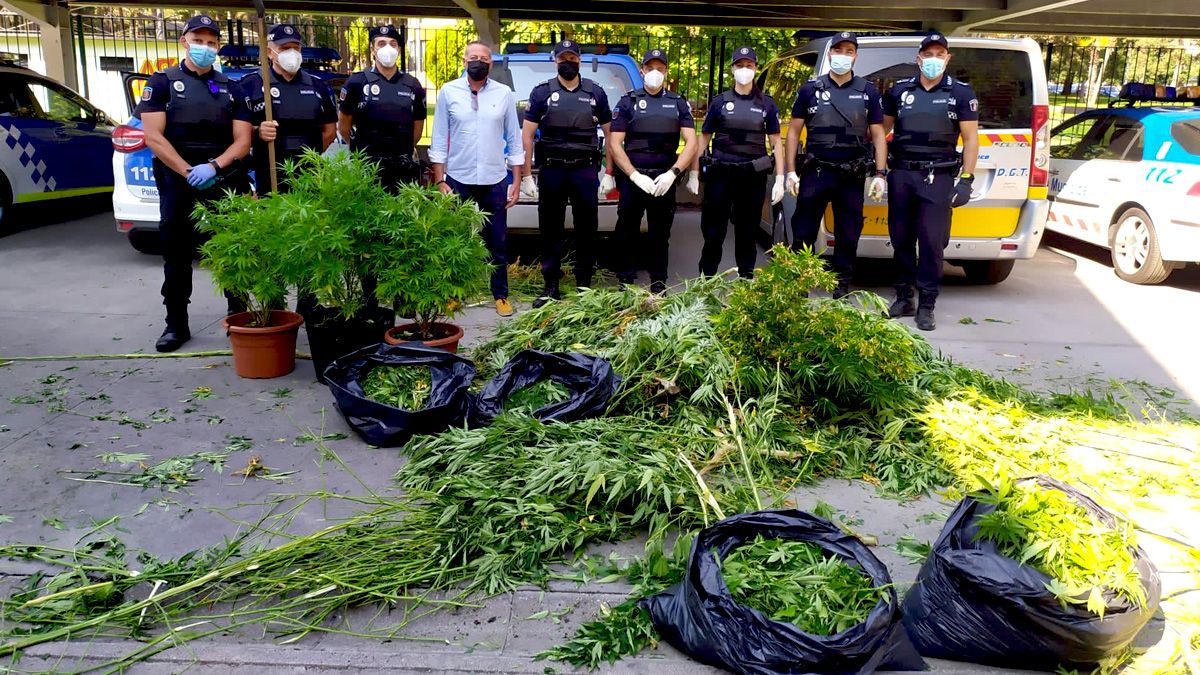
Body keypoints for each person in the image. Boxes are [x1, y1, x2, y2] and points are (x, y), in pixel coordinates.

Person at [138, 14, 251, 352]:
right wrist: (188, 170)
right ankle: (176, 324)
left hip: (223, 177)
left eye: (211, 42)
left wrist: (214, 167)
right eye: (198, 40)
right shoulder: (162, 83)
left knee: (232, 250)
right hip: (177, 179)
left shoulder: (232, 88)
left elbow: (243, 140)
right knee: (176, 251)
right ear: (184, 41)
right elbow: (153, 137)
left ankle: (240, 316)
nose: (205, 46)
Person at [882, 33, 980, 331]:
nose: (934, 59)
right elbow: (881, 134)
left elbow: (971, 138)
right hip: (902, 173)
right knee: (900, 238)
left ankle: (927, 303)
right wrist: (878, 169)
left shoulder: (960, 93)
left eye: (940, 54)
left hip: (938, 176)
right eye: (929, 54)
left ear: (947, 58)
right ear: (919, 58)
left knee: (931, 240)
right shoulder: (899, 92)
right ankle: (903, 297)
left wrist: (966, 179)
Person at [785, 32, 888, 299]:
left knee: (849, 232)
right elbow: (794, 132)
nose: (843, 55)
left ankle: (841, 284)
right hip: (816, 171)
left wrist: (880, 173)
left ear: (855, 56)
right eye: (838, 49)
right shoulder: (810, 89)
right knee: (803, 230)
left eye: (849, 50)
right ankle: (799, 281)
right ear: (830, 53)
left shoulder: (868, 91)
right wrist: (790, 172)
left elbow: (878, 134)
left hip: (851, 175)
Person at [429, 41, 525, 317]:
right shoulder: (449, 92)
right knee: (457, 240)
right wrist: (440, 180)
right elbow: (438, 139)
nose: (478, 61)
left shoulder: (503, 94)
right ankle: (453, 294)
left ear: (490, 64)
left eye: (483, 58)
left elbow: (514, 140)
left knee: (497, 242)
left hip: (495, 179)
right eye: (473, 57)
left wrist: (516, 181)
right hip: (459, 178)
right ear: (463, 61)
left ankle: (501, 295)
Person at [520, 39, 614, 307]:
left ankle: (584, 285)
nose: (568, 63)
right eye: (563, 59)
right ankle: (551, 286)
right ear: (555, 61)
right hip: (552, 170)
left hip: (585, 170)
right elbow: (527, 136)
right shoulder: (541, 93)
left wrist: (609, 172)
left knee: (587, 229)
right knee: (550, 230)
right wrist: (527, 175)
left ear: (580, 61)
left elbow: (611, 135)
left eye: (572, 58)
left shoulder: (596, 93)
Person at [608, 48, 700, 294]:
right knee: (627, 233)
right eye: (650, 68)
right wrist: (633, 175)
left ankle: (658, 287)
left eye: (660, 69)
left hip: (664, 178)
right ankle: (625, 286)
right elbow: (615, 143)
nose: (655, 73)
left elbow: (692, 142)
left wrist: (675, 172)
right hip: (633, 179)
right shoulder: (628, 101)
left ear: (666, 72)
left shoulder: (678, 103)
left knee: (660, 235)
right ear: (642, 71)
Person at [696, 46, 785, 279]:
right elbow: (703, 139)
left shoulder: (767, 104)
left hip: (752, 177)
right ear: (732, 69)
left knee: (747, 233)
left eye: (749, 65)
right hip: (720, 177)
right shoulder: (719, 102)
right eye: (739, 65)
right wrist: (695, 173)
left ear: (755, 68)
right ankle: (706, 282)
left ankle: (746, 282)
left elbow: (776, 142)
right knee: (714, 232)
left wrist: (781, 179)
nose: (744, 70)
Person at [237, 23, 337, 195]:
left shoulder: (318, 85)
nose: (291, 53)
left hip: (309, 172)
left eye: (295, 48)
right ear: (270, 52)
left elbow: (330, 131)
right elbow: (239, 132)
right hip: (270, 172)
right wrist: (258, 131)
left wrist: (311, 154)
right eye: (284, 48)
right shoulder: (251, 84)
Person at [338, 25, 427, 190]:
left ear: (399, 49)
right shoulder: (357, 82)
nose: (388, 48)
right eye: (381, 43)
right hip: (366, 165)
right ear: (372, 49)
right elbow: (344, 126)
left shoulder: (413, 85)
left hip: (401, 165)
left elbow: (417, 129)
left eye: (393, 44)